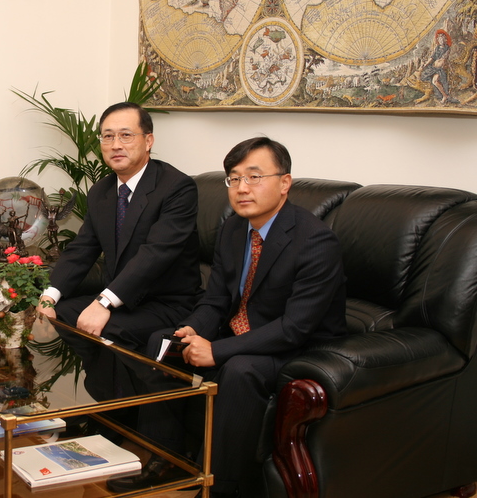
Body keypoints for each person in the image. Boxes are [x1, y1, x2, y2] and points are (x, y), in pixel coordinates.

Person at [108, 137, 347, 498]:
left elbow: (295, 327)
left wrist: (217, 351)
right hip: (241, 334)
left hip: (299, 348)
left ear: (284, 183)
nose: (242, 188)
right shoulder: (234, 229)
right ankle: (166, 459)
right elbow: (216, 300)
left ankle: (221, 487)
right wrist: (195, 329)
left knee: (240, 369)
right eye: (233, 179)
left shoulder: (315, 242)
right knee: (163, 342)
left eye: (254, 177)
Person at [35, 101, 201, 401]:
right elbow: (82, 249)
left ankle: (126, 413)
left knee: (109, 328)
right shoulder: (102, 190)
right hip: (123, 301)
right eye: (107, 136)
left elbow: (155, 254)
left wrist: (104, 303)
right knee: (63, 313)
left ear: (148, 141)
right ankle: (98, 403)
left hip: (166, 302)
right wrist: (49, 296)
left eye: (126, 135)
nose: (115, 145)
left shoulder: (177, 188)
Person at [420, 29, 459, 105]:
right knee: (429, 79)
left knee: (435, 81)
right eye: (440, 39)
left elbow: (443, 59)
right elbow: (432, 57)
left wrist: (438, 63)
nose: (441, 40)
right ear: (438, 40)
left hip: (441, 68)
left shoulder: (447, 48)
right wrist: (425, 65)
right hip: (434, 68)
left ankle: (445, 96)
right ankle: (444, 96)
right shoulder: (437, 48)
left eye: (443, 39)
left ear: (445, 40)